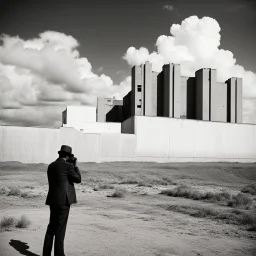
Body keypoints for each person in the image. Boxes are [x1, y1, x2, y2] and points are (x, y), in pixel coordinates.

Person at [42, 145, 81, 256]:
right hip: (64, 201)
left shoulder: (51, 166)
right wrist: (75, 166)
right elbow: (78, 179)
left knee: (51, 228)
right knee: (60, 229)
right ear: (68, 156)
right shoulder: (68, 166)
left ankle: (46, 254)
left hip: (53, 200)